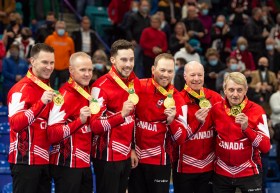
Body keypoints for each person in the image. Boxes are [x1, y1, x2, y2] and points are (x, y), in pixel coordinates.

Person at [128, 53, 188, 193]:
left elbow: (181, 138)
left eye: (169, 71)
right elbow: (127, 120)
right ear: (153, 69)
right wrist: (130, 149)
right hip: (135, 159)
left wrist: (172, 121)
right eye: (162, 70)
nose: (165, 75)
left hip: (160, 161)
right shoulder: (139, 87)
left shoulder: (178, 99)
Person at [90, 39, 141, 193]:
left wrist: (132, 148)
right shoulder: (99, 86)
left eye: (131, 59)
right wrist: (121, 114)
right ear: (113, 60)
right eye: (123, 60)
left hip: (126, 155)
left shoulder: (134, 82)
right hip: (106, 157)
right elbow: (95, 125)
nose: (128, 64)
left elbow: (133, 119)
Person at [208, 72, 271, 193]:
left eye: (239, 90)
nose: (235, 94)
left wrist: (247, 129)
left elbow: (266, 147)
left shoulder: (257, 111)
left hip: (249, 172)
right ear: (224, 90)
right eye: (231, 89)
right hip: (222, 172)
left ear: (246, 90)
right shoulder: (216, 109)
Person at [7, 43, 55, 193]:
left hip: (44, 160)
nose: (49, 67)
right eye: (44, 62)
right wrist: (40, 103)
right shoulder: (20, 89)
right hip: (25, 161)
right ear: (32, 61)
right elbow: (15, 123)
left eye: (52, 62)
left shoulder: (48, 89)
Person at [47, 52, 94, 193]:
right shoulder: (63, 96)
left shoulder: (88, 92)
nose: (87, 74)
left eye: (90, 70)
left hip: (84, 164)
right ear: (71, 71)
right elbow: (52, 134)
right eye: (82, 70)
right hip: (66, 165)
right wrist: (79, 121)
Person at [173, 61, 222, 193]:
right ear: (185, 76)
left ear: (204, 76)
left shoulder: (216, 98)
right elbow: (177, 137)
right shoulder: (177, 100)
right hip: (184, 167)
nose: (196, 79)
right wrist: (196, 122)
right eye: (192, 75)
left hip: (209, 167)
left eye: (199, 75)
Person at [45, 20, 75, 89]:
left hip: (65, 69)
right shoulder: (49, 39)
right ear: (55, 28)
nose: (61, 29)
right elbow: (44, 53)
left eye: (62, 28)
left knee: (63, 89)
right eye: (59, 27)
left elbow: (72, 55)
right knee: (49, 88)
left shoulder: (69, 40)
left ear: (65, 29)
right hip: (51, 68)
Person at [139, 14, 168, 78]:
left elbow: (165, 47)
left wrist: (160, 50)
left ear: (160, 23)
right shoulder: (146, 31)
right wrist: (152, 48)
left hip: (158, 59)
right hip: (147, 57)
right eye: (152, 22)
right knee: (147, 75)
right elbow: (142, 43)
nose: (154, 23)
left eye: (156, 22)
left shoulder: (162, 34)